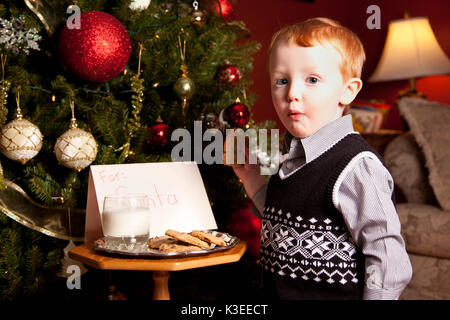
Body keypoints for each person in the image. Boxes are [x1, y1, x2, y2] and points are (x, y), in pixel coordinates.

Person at [233, 17, 412, 300]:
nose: (292, 93)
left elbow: (388, 256)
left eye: (312, 80)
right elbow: (285, 215)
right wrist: (252, 178)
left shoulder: (355, 166)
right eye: (281, 80)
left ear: (348, 90)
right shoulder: (291, 153)